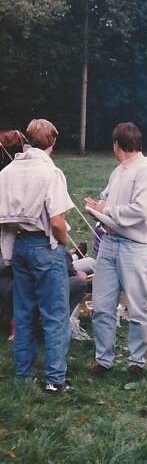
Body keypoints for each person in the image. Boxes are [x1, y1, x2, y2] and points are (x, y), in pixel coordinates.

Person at [85, 122, 147, 382]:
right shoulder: (118, 171)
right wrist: (98, 206)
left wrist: (106, 211)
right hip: (108, 244)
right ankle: (103, 359)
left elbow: (141, 209)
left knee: (137, 306)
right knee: (102, 305)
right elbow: (106, 198)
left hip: (135, 247)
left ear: (117, 145)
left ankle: (136, 362)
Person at [0, 119, 74, 393]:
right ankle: (55, 380)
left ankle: (23, 375)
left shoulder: (7, 172)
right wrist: (63, 242)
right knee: (55, 314)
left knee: (23, 312)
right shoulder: (50, 173)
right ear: (53, 142)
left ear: (29, 140)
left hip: (19, 245)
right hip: (45, 245)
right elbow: (56, 221)